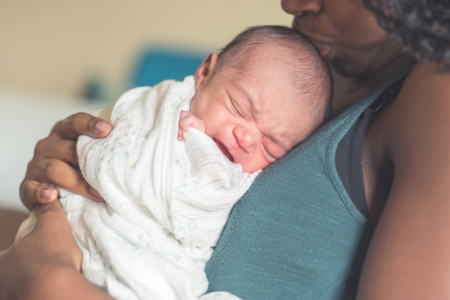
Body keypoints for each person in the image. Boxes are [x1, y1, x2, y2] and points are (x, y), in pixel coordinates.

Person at [1, 0, 450, 299]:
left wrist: (47, 279)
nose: (292, 3)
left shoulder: (436, 94)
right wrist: (75, 176)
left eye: (274, 144)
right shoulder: (321, 75)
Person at [13, 25, 331, 300]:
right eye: (239, 107)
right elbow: (117, 160)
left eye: (272, 145)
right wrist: (169, 137)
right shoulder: (161, 108)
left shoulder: (250, 180)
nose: (246, 138)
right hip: (75, 234)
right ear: (205, 72)